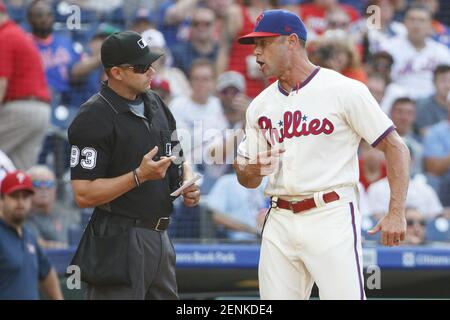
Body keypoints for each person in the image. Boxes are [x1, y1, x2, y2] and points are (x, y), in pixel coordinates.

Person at [234, 9, 410, 300]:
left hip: (330, 213)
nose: (256, 53)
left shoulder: (344, 90)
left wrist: (396, 211)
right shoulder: (259, 105)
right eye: (255, 45)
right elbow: (246, 177)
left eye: (264, 43)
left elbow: (396, 147)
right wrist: (251, 169)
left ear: (291, 42)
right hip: (279, 216)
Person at [68, 31, 200, 300]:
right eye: (141, 67)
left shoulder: (155, 102)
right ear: (115, 72)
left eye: (150, 63)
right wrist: (138, 176)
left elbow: (176, 155)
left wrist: (186, 181)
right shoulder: (94, 115)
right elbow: (83, 194)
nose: (150, 71)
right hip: (119, 238)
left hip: (161, 235)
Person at [0, 1, 51, 170]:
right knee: (19, 172)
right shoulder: (17, 33)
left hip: (20, 110)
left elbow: (1, 84)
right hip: (40, 112)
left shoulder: (5, 36)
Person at [0, 171, 63, 300]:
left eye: (25, 196)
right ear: (2, 199)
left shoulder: (28, 236)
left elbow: (46, 271)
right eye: (14, 196)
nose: (20, 202)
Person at [25, 165, 74, 248]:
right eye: (37, 184)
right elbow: (36, 244)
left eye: (49, 184)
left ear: (55, 189)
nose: (43, 188)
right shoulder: (24, 216)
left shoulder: (66, 213)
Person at [415, 64, 450, 136]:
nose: (447, 85)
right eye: (443, 81)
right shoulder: (423, 104)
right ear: (434, 82)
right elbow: (424, 132)